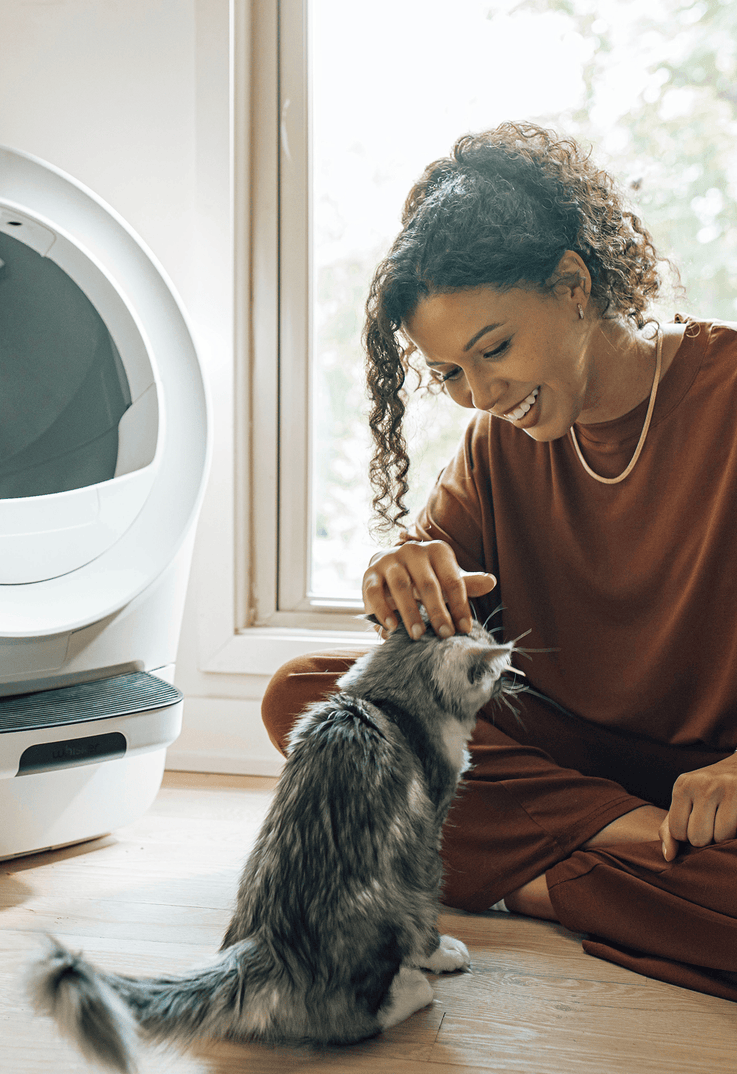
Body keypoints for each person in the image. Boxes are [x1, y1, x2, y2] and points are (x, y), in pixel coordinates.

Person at [261, 122, 737, 1001]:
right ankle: (639, 857)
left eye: (494, 350)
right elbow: (425, 656)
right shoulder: (494, 446)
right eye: (447, 374)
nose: (481, 397)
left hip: (723, 785)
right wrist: (396, 577)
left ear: (573, 285)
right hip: (589, 771)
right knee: (314, 701)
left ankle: (536, 883)